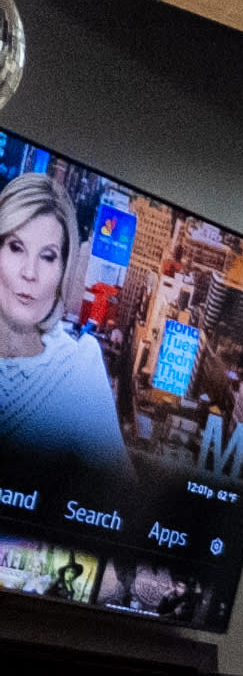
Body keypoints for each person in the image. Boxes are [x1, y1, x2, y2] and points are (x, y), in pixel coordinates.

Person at [0, 173, 133, 482]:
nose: (29, 272)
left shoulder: (78, 368)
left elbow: (120, 506)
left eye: (47, 257)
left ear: (63, 271)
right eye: (16, 248)